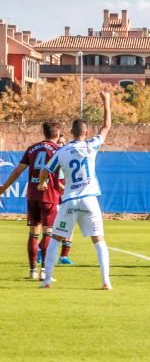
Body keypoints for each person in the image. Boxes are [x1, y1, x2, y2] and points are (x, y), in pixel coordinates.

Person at [38, 90, 113, 290]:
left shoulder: (60, 151)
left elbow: (46, 171)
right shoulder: (91, 146)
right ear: (86, 133)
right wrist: (106, 102)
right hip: (89, 199)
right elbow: (106, 126)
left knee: (55, 238)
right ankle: (106, 281)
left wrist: (41, 183)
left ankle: (47, 280)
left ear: (71, 132)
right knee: (99, 241)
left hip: (70, 200)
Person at [0, 122, 75, 279]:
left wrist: (4, 188)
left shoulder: (32, 149)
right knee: (48, 233)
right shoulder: (59, 150)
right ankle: (44, 272)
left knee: (33, 233)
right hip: (49, 196)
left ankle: (32, 271)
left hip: (33, 195)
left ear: (44, 132)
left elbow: (17, 171)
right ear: (58, 133)